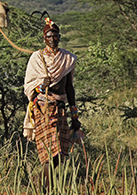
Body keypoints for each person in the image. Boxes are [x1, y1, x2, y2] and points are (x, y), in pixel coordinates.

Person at [23, 18, 81, 191]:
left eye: (55, 36)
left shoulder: (67, 59)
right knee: (49, 153)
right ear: (44, 39)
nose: (52, 39)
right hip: (43, 109)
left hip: (61, 108)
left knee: (61, 154)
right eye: (49, 36)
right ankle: (48, 189)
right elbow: (30, 88)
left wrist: (75, 116)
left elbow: (70, 89)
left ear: (59, 37)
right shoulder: (37, 58)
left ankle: (39, 178)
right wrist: (42, 86)